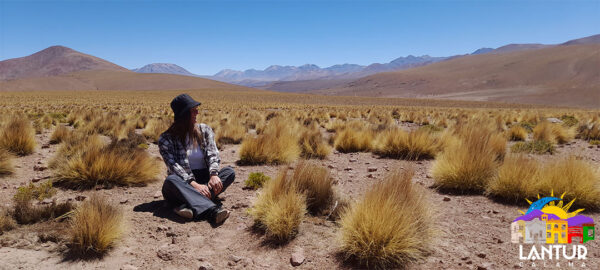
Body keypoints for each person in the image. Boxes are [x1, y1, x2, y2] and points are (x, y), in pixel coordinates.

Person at [158, 94, 234, 224]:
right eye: (193, 110)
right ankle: (212, 210)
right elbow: (174, 166)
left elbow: (212, 153)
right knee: (171, 181)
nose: (197, 112)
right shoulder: (166, 139)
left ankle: (188, 205)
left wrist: (214, 175)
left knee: (229, 172)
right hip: (182, 183)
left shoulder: (205, 130)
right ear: (183, 115)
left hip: (205, 180)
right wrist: (193, 184)